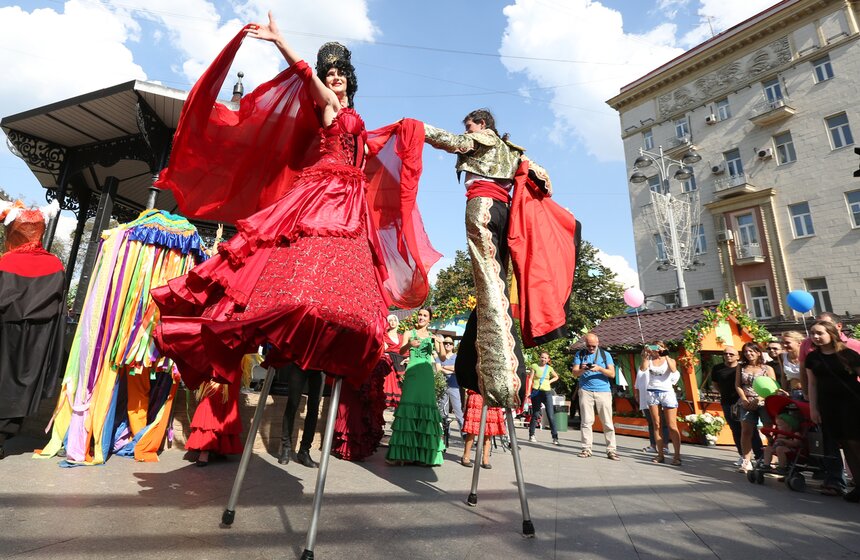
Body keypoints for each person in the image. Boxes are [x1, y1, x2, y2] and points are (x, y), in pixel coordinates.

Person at [152, 16, 439, 412]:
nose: (334, 77)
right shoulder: (329, 104)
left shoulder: (355, 116)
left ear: (351, 79)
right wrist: (280, 42)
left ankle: (318, 356)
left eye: (340, 73)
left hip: (350, 200)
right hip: (324, 194)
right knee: (289, 265)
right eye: (330, 73)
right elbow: (306, 76)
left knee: (342, 287)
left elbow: (367, 152)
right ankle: (243, 328)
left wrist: (403, 133)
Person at [423, 109, 577, 411]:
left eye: (470, 124)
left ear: (482, 125)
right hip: (506, 215)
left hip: (481, 207)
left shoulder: (481, 139)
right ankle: (491, 365)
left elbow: (450, 141)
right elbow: (545, 181)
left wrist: (417, 129)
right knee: (497, 284)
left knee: (490, 284)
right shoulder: (514, 151)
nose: (467, 130)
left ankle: (502, 376)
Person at [0, 200, 65, 460]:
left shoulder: (5, 263)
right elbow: (59, 310)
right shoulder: (55, 265)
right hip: (38, 337)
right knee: (23, 384)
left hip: (6, 331)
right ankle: (5, 434)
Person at [799, 312, 860, 495]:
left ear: (831, 333)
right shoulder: (813, 358)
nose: (815, 337)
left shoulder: (848, 354)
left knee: (855, 443)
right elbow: (812, 383)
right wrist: (813, 409)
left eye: (819, 333)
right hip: (829, 406)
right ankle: (858, 485)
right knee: (844, 444)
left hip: (852, 404)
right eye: (812, 333)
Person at [385, 308, 445, 466]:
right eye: (420, 315)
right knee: (407, 409)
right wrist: (410, 344)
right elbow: (401, 350)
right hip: (412, 373)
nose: (421, 317)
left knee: (426, 410)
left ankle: (424, 456)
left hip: (426, 375)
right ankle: (401, 454)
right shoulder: (408, 333)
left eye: (425, 316)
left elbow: (443, 357)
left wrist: (440, 342)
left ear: (429, 320)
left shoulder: (433, 337)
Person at [709, 346, 762, 466]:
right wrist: (723, 392)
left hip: (744, 401)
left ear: (738, 356)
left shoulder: (741, 368)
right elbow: (715, 384)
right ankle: (742, 456)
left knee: (750, 430)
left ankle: (759, 456)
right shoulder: (717, 368)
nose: (728, 356)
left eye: (731, 354)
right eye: (725, 354)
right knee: (736, 430)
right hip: (727, 402)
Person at [572, 333, 620, 460]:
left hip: (603, 391)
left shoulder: (605, 355)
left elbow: (612, 374)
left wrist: (599, 368)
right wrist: (583, 369)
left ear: (598, 343)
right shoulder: (580, 354)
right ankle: (586, 448)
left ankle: (611, 450)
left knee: (607, 422)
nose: (591, 348)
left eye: (593, 346)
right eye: (588, 346)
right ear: (585, 344)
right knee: (586, 421)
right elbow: (574, 373)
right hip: (586, 390)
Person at [734, 342, 777, 473]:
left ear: (758, 352)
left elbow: (773, 386)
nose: (748, 354)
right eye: (746, 351)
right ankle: (746, 461)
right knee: (746, 432)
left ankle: (772, 460)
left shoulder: (767, 369)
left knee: (769, 431)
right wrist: (744, 399)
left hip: (764, 401)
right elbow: (738, 385)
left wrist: (760, 398)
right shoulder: (741, 367)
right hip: (746, 402)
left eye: (751, 351)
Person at [639, 342, 681, 465]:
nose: (656, 350)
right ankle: (660, 454)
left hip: (667, 393)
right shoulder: (650, 359)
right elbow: (643, 368)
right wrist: (646, 355)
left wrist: (665, 354)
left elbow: (673, 370)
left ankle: (677, 456)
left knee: (672, 425)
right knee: (656, 424)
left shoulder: (669, 359)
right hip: (652, 392)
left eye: (659, 348)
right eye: (654, 348)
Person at [187, 379, 243, 466]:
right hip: (215, 370)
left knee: (228, 405)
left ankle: (221, 448)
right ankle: (205, 449)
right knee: (210, 400)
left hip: (232, 370)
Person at [277, 363, 323, 468]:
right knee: (292, 404)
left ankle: (304, 451)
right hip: (301, 362)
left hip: (319, 366)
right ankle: (286, 448)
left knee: (313, 408)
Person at [461, 390, 506, 469]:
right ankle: (466, 456)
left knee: (488, 431)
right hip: (477, 393)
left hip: (492, 395)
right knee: (472, 429)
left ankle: (485, 459)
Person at [527, 352, 560, 445]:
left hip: (547, 392)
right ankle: (532, 434)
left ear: (548, 360)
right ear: (539, 357)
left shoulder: (549, 368)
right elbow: (530, 379)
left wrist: (549, 381)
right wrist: (528, 391)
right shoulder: (534, 366)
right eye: (542, 357)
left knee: (551, 415)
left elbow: (556, 376)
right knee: (536, 414)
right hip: (536, 392)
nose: (543, 359)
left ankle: (555, 437)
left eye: (545, 358)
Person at [634, 363, 667, 454]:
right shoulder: (640, 367)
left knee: (662, 422)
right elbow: (637, 382)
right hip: (645, 397)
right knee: (651, 422)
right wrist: (637, 394)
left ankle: (664, 446)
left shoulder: (660, 364)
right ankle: (653, 445)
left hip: (659, 396)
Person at [437, 336, 464, 437]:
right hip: (443, 387)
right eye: (445, 343)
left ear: (453, 345)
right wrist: (451, 370)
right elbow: (438, 369)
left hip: (454, 386)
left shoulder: (457, 357)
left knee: (458, 411)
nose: (448, 345)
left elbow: (458, 369)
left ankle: (464, 433)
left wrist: (445, 367)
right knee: (443, 411)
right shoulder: (439, 357)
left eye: (450, 343)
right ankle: (445, 433)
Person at [383, 314, 405, 407]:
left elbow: (406, 350)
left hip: (400, 363)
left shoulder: (402, 337)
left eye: (394, 320)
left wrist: (407, 358)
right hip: (389, 363)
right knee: (387, 387)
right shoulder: (384, 335)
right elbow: (382, 349)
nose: (392, 322)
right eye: (390, 320)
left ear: (397, 322)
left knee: (400, 388)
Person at [779, 331, 804, 399]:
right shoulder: (781, 356)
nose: (784, 345)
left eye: (787, 343)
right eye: (782, 343)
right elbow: (783, 377)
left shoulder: (807, 355)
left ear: (799, 342)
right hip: (793, 393)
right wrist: (784, 391)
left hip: (808, 392)